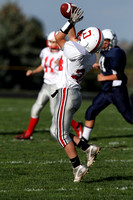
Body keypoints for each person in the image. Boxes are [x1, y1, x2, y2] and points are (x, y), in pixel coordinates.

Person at [50, 7, 103, 182]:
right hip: (74, 94)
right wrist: (71, 16)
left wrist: (70, 21)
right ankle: (88, 148)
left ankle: (77, 166)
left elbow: (60, 38)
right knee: (56, 130)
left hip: (66, 93)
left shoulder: (75, 51)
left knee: (60, 133)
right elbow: (73, 39)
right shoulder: (89, 56)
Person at [15, 31, 82, 140]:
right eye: (51, 42)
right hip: (46, 85)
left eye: (55, 42)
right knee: (36, 108)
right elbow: (43, 66)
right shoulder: (45, 52)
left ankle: (76, 125)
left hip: (56, 86)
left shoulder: (63, 53)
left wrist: (61, 62)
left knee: (54, 112)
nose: (52, 45)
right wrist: (33, 71)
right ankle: (28, 133)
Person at [81, 28, 133, 143]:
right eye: (103, 41)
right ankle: (84, 139)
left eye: (106, 41)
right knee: (91, 111)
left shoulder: (116, 53)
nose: (103, 44)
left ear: (112, 41)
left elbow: (120, 76)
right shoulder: (105, 53)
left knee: (130, 118)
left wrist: (104, 77)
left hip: (117, 90)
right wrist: (99, 65)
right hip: (106, 91)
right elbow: (109, 66)